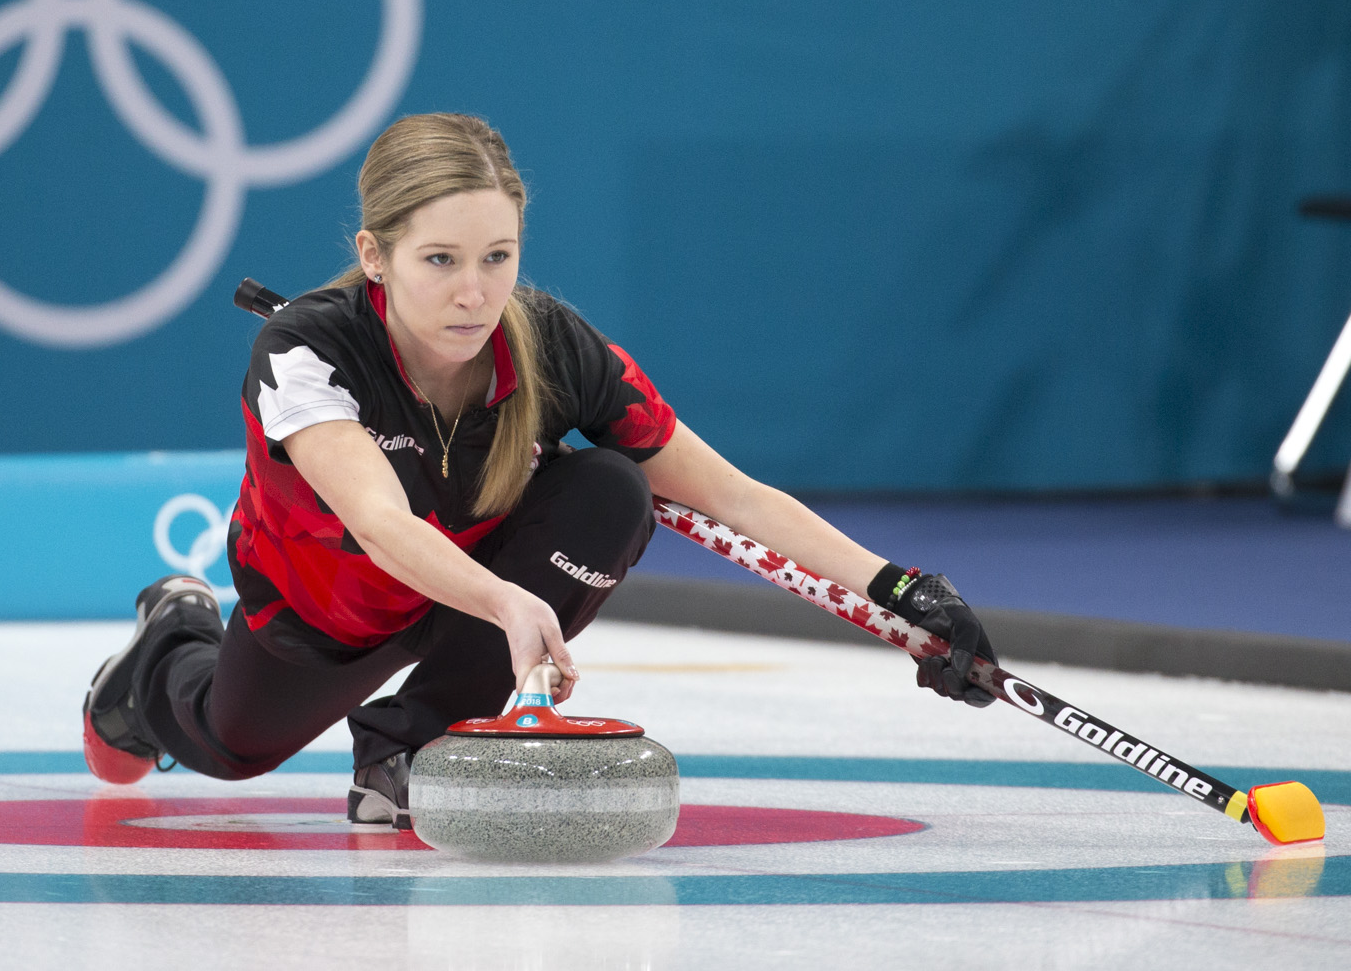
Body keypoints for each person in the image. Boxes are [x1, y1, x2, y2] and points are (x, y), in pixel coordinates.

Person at [82, 112, 995, 825]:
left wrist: (903, 593)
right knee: (232, 745)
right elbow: (382, 526)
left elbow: (726, 491)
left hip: (468, 589)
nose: (473, 291)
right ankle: (168, 636)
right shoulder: (305, 352)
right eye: (438, 260)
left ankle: (410, 750)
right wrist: (515, 604)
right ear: (374, 255)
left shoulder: (556, 348)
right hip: (322, 613)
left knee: (614, 486)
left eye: (497, 258)